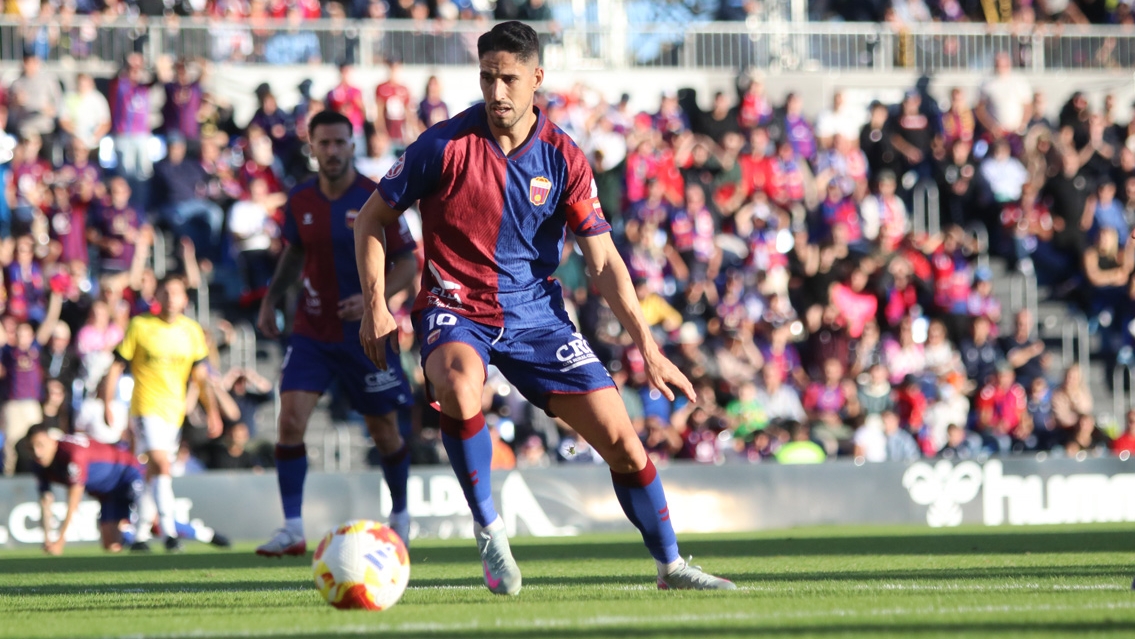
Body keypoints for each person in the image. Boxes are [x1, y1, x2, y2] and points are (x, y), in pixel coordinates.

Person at [355, 21, 734, 594]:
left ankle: (671, 566)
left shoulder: (563, 158)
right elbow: (371, 219)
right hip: (455, 304)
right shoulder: (443, 144)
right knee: (459, 385)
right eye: (487, 77)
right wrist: (377, 307)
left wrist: (648, 349)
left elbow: (603, 262)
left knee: (624, 443)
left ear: (536, 78)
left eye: (508, 78)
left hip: (535, 315)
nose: (497, 92)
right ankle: (489, 530)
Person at [254, 109, 418, 557]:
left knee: (384, 430)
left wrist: (376, 302)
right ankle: (291, 527)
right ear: (312, 149)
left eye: (339, 143)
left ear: (352, 146)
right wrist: (271, 300)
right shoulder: (300, 199)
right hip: (312, 330)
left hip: (365, 332)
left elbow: (409, 262)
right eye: (322, 143)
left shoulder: (376, 197)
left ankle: (401, 516)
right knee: (289, 421)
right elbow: (293, 253)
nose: (331, 151)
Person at [103, 275, 221, 552]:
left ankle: (141, 532)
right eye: (165, 292)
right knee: (161, 464)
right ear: (157, 296)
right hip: (145, 406)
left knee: (154, 472)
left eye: (176, 293)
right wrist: (108, 402)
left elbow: (201, 377)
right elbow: (116, 367)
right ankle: (168, 531)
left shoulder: (191, 331)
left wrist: (212, 411)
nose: (170, 298)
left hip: (174, 411)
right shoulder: (140, 325)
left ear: (184, 299)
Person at [28, 426, 230, 555]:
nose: (37, 452)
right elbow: (46, 500)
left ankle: (204, 533)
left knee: (153, 522)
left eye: (41, 445)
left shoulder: (72, 454)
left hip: (128, 473)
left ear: (53, 442)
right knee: (111, 545)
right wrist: (47, 538)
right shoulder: (40, 464)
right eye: (32, 447)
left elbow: (74, 499)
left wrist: (60, 541)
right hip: (108, 492)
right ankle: (135, 539)